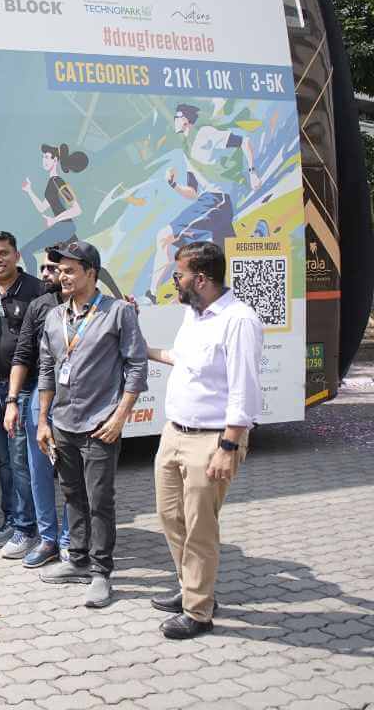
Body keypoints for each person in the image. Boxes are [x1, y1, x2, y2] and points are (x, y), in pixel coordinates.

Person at [146, 242, 263, 639]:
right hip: (174, 433)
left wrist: (228, 447)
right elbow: (182, 359)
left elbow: (244, 390)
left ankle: (198, 610)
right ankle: (190, 587)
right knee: (169, 516)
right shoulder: (194, 316)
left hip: (211, 440)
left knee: (200, 527)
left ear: (200, 279)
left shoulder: (238, 320)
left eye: (178, 275)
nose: (174, 281)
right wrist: (139, 347)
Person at [36, 240, 148, 608]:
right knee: (72, 496)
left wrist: (120, 416)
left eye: (69, 270)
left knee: (100, 500)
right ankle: (78, 560)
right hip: (63, 423)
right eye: (58, 270)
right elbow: (48, 370)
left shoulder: (118, 313)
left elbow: (136, 366)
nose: (61, 276)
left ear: (91, 274)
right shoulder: (55, 317)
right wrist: (43, 421)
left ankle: (101, 573)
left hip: (100, 425)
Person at [148, 104, 262, 300]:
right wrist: (173, 184)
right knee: (227, 263)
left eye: (177, 116)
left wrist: (252, 173)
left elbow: (245, 142)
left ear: (186, 120)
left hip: (217, 200)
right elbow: (192, 192)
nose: (174, 120)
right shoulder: (186, 150)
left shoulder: (205, 134)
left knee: (164, 236)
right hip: (209, 201)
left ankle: (150, 294)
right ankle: (257, 238)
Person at [0, 231, 43, 558]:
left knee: (20, 462)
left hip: (25, 389)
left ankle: (27, 528)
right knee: (4, 461)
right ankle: (11, 519)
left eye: (3, 253)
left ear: (17, 255)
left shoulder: (37, 291)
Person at [4, 258, 71, 568]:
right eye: (43, 267)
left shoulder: (104, 307)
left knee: (74, 474)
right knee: (38, 472)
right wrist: (12, 400)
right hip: (41, 399)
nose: (45, 273)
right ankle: (48, 539)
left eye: (52, 268)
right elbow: (24, 354)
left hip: (81, 402)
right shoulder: (40, 305)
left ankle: (70, 540)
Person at [19, 143, 123, 298]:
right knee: (87, 263)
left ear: (55, 160)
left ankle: (34, 292)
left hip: (63, 227)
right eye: (43, 157)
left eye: (47, 157)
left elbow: (76, 209)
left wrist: (54, 220)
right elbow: (42, 207)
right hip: (64, 229)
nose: (44, 160)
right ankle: (119, 296)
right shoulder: (51, 183)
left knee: (26, 250)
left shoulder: (58, 182)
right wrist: (29, 191)